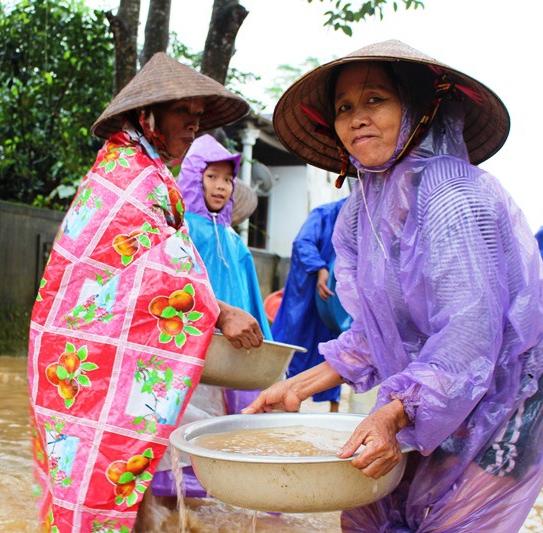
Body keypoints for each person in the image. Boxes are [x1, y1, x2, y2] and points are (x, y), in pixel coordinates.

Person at [245, 40, 543, 531]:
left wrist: (392, 416)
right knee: (366, 515)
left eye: (375, 100)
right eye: (344, 107)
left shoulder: (452, 194)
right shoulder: (360, 212)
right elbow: (378, 334)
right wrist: (297, 386)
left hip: (500, 403)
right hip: (427, 398)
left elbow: (471, 337)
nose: (356, 118)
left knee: (449, 522)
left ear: (419, 107)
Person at [28, 53, 263, 532]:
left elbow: (157, 262)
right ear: (147, 115)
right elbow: (159, 270)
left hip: (90, 349)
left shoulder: (146, 170)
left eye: (198, 118)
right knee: (102, 473)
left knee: (120, 469)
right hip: (81, 354)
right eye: (184, 114)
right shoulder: (129, 173)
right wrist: (218, 314)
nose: (193, 126)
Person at [149, 134, 273, 500]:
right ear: (192, 178)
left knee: (217, 423)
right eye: (211, 177)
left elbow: (250, 295)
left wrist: (267, 358)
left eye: (228, 179)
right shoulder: (180, 233)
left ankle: (200, 497)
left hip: (228, 353)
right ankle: (170, 498)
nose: (221, 186)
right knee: (181, 419)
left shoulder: (234, 241)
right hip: (189, 347)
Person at [271, 197, 349, 412]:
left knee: (338, 351)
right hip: (307, 297)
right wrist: (320, 268)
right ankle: (289, 405)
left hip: (338, 302)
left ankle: (334, 412)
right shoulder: (325, 213)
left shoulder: (369, 219)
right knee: (298, 349)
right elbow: (303, 242)